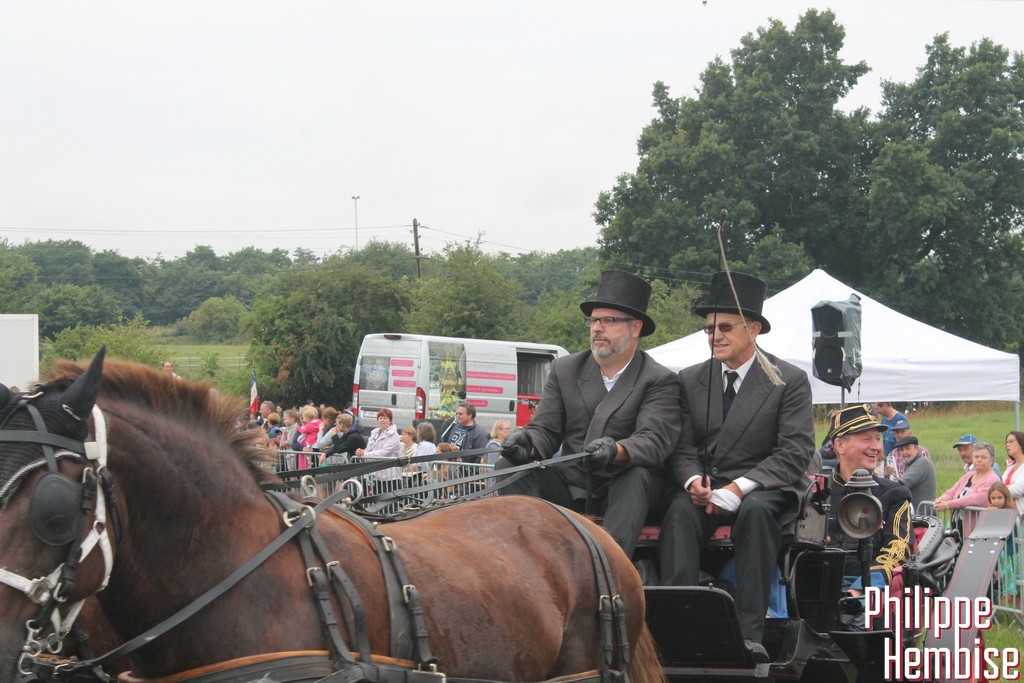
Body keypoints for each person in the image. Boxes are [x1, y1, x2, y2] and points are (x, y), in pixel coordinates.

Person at [659, 271, 814, 663]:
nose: (714, 336)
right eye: (709, 329)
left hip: (764, 487)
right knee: (678, 511)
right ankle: (679, 630)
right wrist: (692, 481)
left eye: (725, 327)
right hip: (706, 487)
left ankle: (748, 636)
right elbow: (680, 445)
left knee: (757, 513)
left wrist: (740, 488)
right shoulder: (691, 379)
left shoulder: (787, 380)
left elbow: (795, 451)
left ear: (754, 329)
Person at [497, 269, 682, 560]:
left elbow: (654, 440)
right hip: (570, 485)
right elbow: (545, 429)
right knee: (510, 466)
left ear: (635, 328)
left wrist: (617, 450)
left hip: (622, 490)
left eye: (609, 321)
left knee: (636, 475)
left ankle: (610, 569)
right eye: (594, 320)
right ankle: (533, 560)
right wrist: (527, 443)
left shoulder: (659, 379)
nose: (597, 328)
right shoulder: (565, 369)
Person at [825, 404, 913, 593]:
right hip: (816, 587)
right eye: (867, 439)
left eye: (878, 439)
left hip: (869, 591)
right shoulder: (818, 492)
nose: (876, 447)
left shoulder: (895, 494)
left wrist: (860, 589)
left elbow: (898, 549)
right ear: (840, 445)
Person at [934, 441, 1001, 512]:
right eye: (976, 457)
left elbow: (974, 499)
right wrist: (941, 500)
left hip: (977, 519)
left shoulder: (992, 480)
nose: (979, 460)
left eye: (983, 457)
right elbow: (951, 492)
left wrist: (948, 505)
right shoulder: (968, 475)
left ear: (991, 460)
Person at [356, 408, 401, 483]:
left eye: (385, 418)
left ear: (390, 420)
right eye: (380, 418)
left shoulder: (394, 435)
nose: (382, 420)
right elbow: (368, 448)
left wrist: (365, 454)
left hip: (389, 476)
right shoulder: (374, 433)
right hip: (374, 474)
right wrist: (361, 452)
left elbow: (385, 453)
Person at [894, 435, 936, 510]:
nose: (904, 452)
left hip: (923, 514)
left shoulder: (922, 462)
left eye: (908, 448)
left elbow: (902, 484)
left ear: (917, 448)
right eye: (901, 450)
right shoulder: (911, 464)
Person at [1002, 431, 1024, 515]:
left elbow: (1016, 490)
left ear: (1021, 443)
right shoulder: (1010, 467)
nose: (1007, 445)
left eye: (1011, 441)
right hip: (1008, 515)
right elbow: (997, 486)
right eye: (1006, 442)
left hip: (1020, 515)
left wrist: (1000, 490)